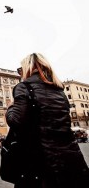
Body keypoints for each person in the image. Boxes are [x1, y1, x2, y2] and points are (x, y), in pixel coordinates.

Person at [5, 53, 89, 187]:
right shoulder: (60, 91)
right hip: (70, 158)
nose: (20, 73)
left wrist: (10, 107)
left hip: (40, 161)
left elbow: (15, 121)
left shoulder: (24, 87)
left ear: (28, 68)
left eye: (20, 69)